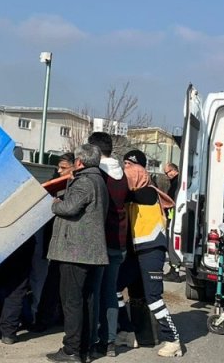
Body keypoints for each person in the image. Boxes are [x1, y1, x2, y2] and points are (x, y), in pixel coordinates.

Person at [117, 149, 184, 358]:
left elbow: (125, 193)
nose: (126, 172)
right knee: (115, 288)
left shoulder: (147, 193)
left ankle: (173, 341)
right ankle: (128, 332)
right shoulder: (136, 194)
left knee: (153, 297)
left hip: (151, 251)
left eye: (129, 168)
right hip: (136, 252)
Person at [46, 144, 109, 363]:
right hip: (90, 252)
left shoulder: (84, 181)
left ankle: (71, 350)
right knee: (88, 301)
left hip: (75, 251)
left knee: (72, 302)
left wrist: (55, 203)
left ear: (80, 162)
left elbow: (69, 208)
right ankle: (86, 348)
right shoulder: (100, 180)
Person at [88, 132, 129, 358]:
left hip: (100, 241)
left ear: (93, 150)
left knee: (94, 292)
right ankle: (110, 342)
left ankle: (94, 340)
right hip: (119, 241)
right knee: (111, 292)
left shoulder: (97, 174)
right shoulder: (121, 173)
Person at [34, 152, 77, 333]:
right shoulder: (55, 183)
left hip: (71, 244)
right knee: (50, 283)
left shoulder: (81, 186)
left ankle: (58, 318)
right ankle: (43, 319)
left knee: (65, 287)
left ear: (76, 166)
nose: (59, 171)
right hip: (53, 241)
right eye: (58, 168)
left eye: (63, 168)